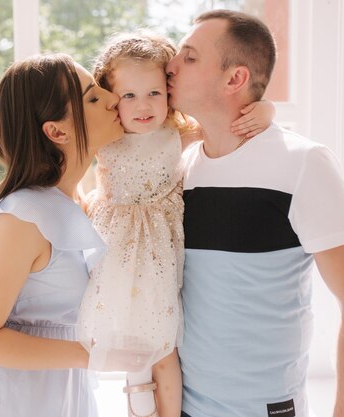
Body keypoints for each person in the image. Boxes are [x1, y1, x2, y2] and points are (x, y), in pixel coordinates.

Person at [165, 10, 344, 417]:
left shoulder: (303, 163)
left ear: (235, 79)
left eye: (189, 57)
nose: (170, 66)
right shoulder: (182, 167)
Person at [76, 32, 274, 417]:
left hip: (163, 251)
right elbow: (70, 175)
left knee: (164, 346)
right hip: (117, 251)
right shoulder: (105, 137)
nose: (143, 105)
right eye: (129, 96)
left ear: (169, 91)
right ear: (112, 98)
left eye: (153, 92)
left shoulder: (177, 133)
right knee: (130, 348)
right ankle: (139, 405)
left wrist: (266, 111)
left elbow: (233, 119)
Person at [0, 53, 126, 417]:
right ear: (57, 131)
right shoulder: (24, 218)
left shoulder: (79, 202)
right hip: (3, 397)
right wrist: (94, 355)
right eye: (93, 97)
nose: (113, 99)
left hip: (56, 390)